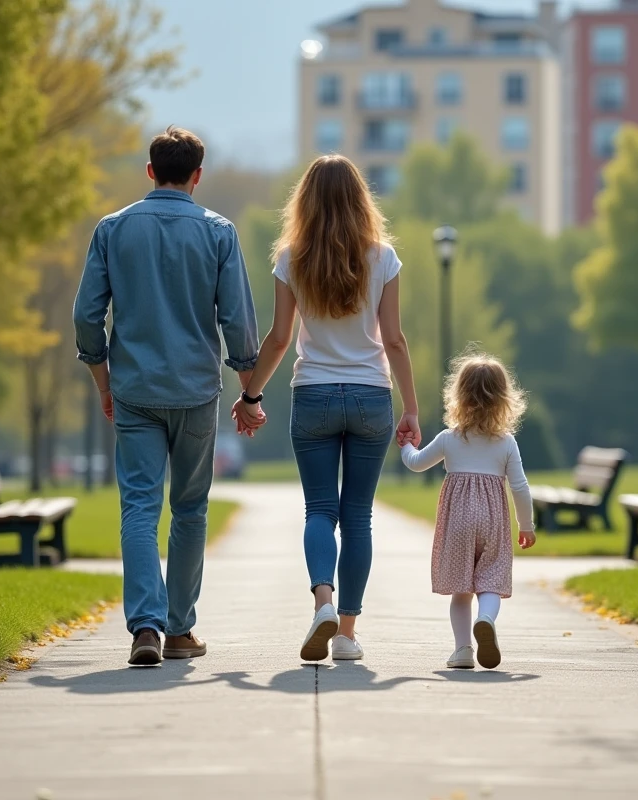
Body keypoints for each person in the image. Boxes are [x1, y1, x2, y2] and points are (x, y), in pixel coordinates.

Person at [73, 126, 260, 667]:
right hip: (196, 390)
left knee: (138, 506)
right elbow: (239, 323)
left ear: (150, 171)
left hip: (133, 390)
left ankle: (146, 627)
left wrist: (102, 380)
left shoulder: (112, 229)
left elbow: (87, 316)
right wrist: (250, 390)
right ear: (197, 176)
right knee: (190, 508)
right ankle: (179, 629)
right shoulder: (219, 234)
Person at [231, 154, 420, 663]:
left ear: (305, 201)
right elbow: (395, 340)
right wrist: (412, 410)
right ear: (361, 198)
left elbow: (278, 338)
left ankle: (323, 603)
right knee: (358, 516)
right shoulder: (384, 258)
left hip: (312, 393)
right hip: (370, 397)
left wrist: (251, 395)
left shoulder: (292, 258)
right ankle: (347, 635)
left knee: (320, 510)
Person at [399, 352, 536, 670]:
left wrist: (405, 445)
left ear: (459, 396)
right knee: (490, 582)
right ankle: (485, 619)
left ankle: (462, 650)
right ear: (504, 399)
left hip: (457, 521)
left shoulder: (450, 439)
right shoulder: (506, 443)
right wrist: (525, 525)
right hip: (492, 522)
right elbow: (520, 487)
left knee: (461, 590)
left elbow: (417, 463)